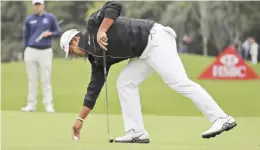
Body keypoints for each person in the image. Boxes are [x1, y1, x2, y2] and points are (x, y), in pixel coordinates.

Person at [60, 1, 237, 143]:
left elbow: (114, 5)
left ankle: (222, 118)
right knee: (125, 83)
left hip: (155, 38)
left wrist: (102, 30)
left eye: (71, 51)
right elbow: (93, 90)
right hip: (143, 53)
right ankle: (136, 131)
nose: (73, 55)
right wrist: (80, 119)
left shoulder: (93, 25)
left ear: (75, 40)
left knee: (179, 82)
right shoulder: (96, 60)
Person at [22, 0, 61, 112]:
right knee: (32, 79)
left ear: (43, 5)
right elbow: (25, 36)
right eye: (36, 5)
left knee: (45, 79)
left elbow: (58, 32)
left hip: (45, 51)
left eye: (39, 4)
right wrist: (26, 49)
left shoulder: (50, 18)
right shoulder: (29, 19)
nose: (38, 7)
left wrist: (50, 34)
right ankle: (31, 105)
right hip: (31, 50)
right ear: (33, 6)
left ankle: (48, 105)